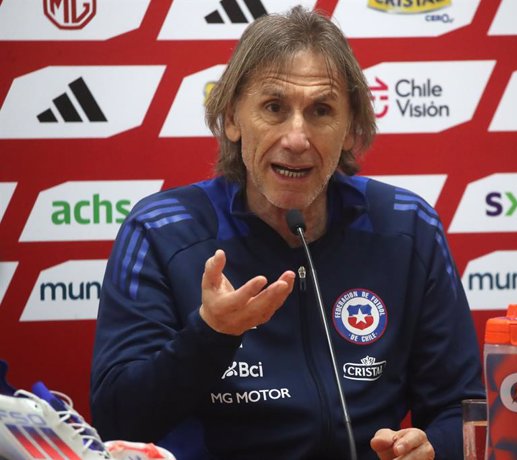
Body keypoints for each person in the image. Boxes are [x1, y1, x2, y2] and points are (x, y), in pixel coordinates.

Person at [90, 6, 483, 459]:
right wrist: (212, 334)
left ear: (351, 128)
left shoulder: (406, 226)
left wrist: (432, 449)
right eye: (274, 108)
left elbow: (464, 410)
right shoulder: (162, 231)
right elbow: (116, 419)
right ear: (233, 118)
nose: (296, 138)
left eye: (321, 111)